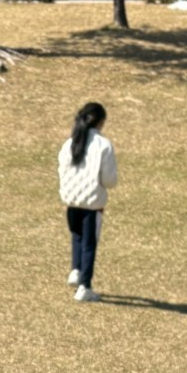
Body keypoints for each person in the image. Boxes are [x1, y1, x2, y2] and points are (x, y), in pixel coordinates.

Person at [57, 102, 117, 303]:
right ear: (100, 122)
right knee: (90, 243)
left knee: (77, 236)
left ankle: (75, 270)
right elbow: (109, 180)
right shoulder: (103, 145)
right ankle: (85, 286)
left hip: (71, 200)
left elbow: (61, 169)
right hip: (92, 203)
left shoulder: (70, 143)